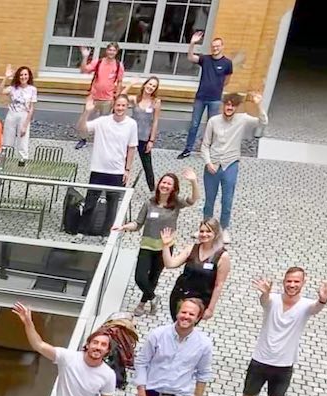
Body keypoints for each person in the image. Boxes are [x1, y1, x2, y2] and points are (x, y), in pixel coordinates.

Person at [221, 270, 327, 396]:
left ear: (303, 283)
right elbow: (265, 302)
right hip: (260, 360)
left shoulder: (305, 305)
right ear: (283, 282)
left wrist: (323, 300)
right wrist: (264, 292)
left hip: (284, 364)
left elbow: (315, 309)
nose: (292, 285)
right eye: (289, 281)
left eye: (296, 281)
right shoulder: (272, 300)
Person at [11, 302, 114, 396]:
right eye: (95, 342)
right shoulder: (68, 358)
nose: (98, 347)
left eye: (103, 345)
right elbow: (39, 345)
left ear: (107, 351)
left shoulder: (108, 375)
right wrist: (28, 322)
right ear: (88, 345)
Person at [114, 169, 198, 316]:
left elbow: (193, 200)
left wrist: (193, 182)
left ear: (173, 188)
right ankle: (153, 297)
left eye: (169, 184)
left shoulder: (176, 203)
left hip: (165, 247)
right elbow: (138, 223)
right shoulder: (149, 203)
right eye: (163, 182)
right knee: (140, 277)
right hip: (147, 245)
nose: (165, 186)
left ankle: (141, 304)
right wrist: (124, 227)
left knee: (154, 276)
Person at [200, 92, 267, 243]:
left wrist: (258, 105)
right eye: (227, 104)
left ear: (236, 107)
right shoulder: (213, 121)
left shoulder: (242, 119)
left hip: (230, 164)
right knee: (209, 199)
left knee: (227, 199)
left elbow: (263, 122)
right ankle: (205, 226)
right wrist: (208, 162)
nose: (229, 107)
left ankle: (223, 229)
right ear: (223, 105)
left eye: (232, 105)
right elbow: (205, 145)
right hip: (213, 164)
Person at [75, 93, 137, 235]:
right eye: (118, 105)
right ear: (113, 106)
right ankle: (82, 231)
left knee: (112, 205)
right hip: (98, 169)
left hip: (116, 171)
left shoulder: (131, 124)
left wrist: (127, 169)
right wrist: (87, 112)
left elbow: (131, 147)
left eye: (123, 105)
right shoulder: (102, 121)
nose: (120, 108)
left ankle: (107, 233)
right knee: (90, 202)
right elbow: (82, 128)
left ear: (127, 107)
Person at [178, 32, 234, 159]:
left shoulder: (227, 63)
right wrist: (192, 43)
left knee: (212, 126)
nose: (215, 48)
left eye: (218, 46)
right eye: (213, 46)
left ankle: (208, 151)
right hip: (201, 97)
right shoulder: (205, 59)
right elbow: (191, 57)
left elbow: (227, 80)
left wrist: (217, 88)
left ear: (222, 47)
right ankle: (187, 149)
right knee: (194, 124)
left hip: (215, 99)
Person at [161, 220, 230, 321]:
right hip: (181, 294)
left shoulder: (222, 256)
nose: (204, 234)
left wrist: (210, 309)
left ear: (216, 233)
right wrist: (166, 246)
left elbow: (219, 285)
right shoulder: (192, 249)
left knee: (187, 324)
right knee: (176, 323)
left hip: (201, 299)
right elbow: (170, 264)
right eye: (202, 231)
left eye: (208, 231)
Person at [74, 43, 125, 149]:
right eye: (110, 50)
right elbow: (83, 70)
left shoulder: (118, 65)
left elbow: (120, 82)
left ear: (117, 52)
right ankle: (83, 139)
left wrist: (117, 96)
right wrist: (85, 57)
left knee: (104, 122)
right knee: (85, 118)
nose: (111, 52)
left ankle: (100, 142)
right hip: (93, 97)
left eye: (114, 50)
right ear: (106, 50)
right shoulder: (98, 62)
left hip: (107, 99)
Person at [0, 64, 37, 164]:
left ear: (29, 76)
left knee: (23, 138)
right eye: (21, 75)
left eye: (25, 75)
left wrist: (25, 125)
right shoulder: (13, 88)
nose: (23, 77)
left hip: (24, 115)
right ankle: (4, 159)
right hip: (12, 114)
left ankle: (22, 159)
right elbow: (1, 91)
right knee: (8, 137)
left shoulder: (32, 89)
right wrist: (5, 77)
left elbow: (32, 108)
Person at [130, 76, 162, 188]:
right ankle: (119, 187)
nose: (151, 87)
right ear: (145, 84)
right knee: (124, 163)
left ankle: (152, 189)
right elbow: (119, 97)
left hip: (144, 138)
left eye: (154, 86)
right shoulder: (135, 99)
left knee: (147, 166)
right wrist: (130, 84)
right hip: (131, 136)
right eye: (150, 84)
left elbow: (155, 122)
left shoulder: (156, 102)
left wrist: (151, 140)